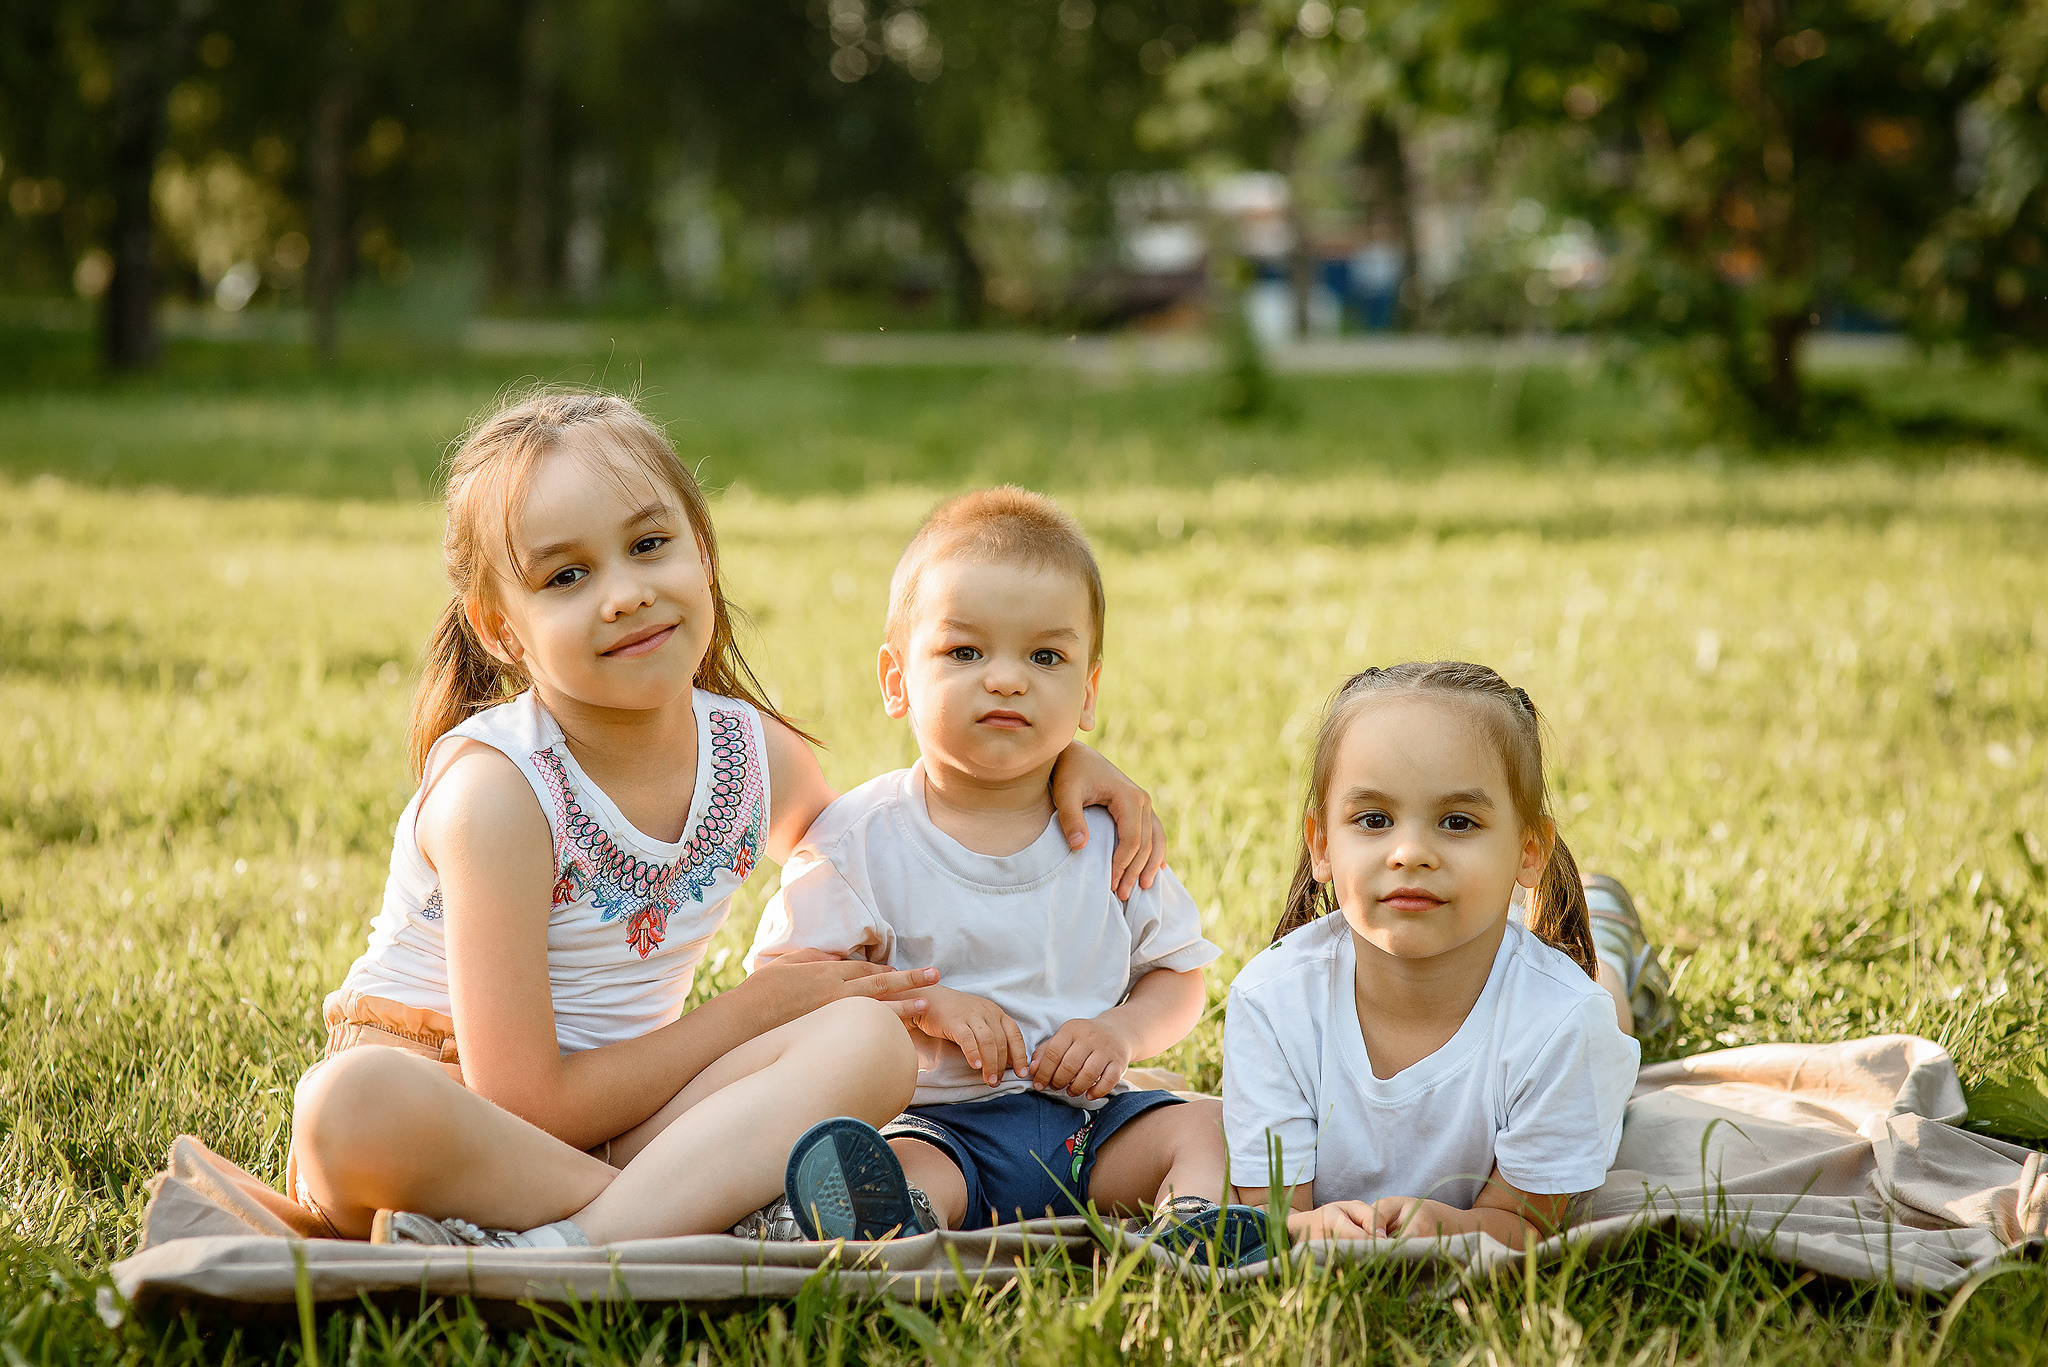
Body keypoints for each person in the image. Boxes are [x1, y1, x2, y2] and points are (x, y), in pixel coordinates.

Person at [285, 391, 1165, 1248]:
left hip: (635, 1119)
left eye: (649, 544)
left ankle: (587, 1232)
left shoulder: (756, 757)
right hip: (460, 1116)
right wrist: (751, 1010)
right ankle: (676, 1221)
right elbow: (522, 1099)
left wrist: (1052, 762)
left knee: (871, 1043)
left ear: (702, 555)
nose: (625, 593)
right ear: (500, 627)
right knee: (347, 1106)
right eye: (566, 576)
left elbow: (874, 861)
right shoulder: (501, 792)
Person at [747, 488, 1264, 1260]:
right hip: (940, 1120)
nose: (1007, 679)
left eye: (1045, 656)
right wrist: (926, 1005)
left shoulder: (1110, 836)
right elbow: (788, 994)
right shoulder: (861, 840)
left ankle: (1193, 1221)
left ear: (1088, 690)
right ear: (896, 679)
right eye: (965, 651)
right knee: (893, 1165)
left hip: (1092, 1124)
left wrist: (1120, 1030)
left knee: (1212, 1123)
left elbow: (1177, 976)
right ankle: (890, 1219)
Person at [1222, 662, 1651, 1248]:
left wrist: (1458, 1227)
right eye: (1374, 820)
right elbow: (1275, 1212)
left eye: (1456, 821)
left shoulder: (1566, 1028)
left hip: (1574, 1009)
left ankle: (1610, 936)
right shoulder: (1271, 1005)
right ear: (1322, 844)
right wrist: (1302, 1227)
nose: (1410, 852)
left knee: (1605, 1002)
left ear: (1529, 851)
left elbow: (1525, 1223)